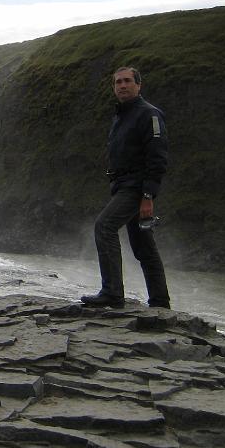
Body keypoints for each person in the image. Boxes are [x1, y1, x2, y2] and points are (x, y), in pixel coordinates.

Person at [81, 66, 171, 309]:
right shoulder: (121, 115)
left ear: (138, 85)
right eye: (118, 82)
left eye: (127, 81)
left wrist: (148, 195)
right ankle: (160, 304)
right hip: (123, 184)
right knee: (143, 246)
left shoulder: (149, 115)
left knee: (105, 226)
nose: (122, 85)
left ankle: (112, 293)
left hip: (136, 187)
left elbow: (157, 158)